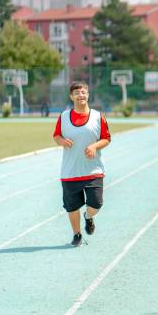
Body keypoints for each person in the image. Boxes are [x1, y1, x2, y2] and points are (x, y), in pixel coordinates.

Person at [53, 82, 111, 246]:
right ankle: (77, 234)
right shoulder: (64, 117)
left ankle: (89, 217)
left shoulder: (98, 117)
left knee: (96, 203)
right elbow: (56, 136)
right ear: (71, 97)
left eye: (84, 92)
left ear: (88, 95)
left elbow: (107, 138)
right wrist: (62, 141)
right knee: (71, 207)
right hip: (70, 171)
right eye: (77, 92)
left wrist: (94, 146)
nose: (81, 95)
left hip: (93, 170)